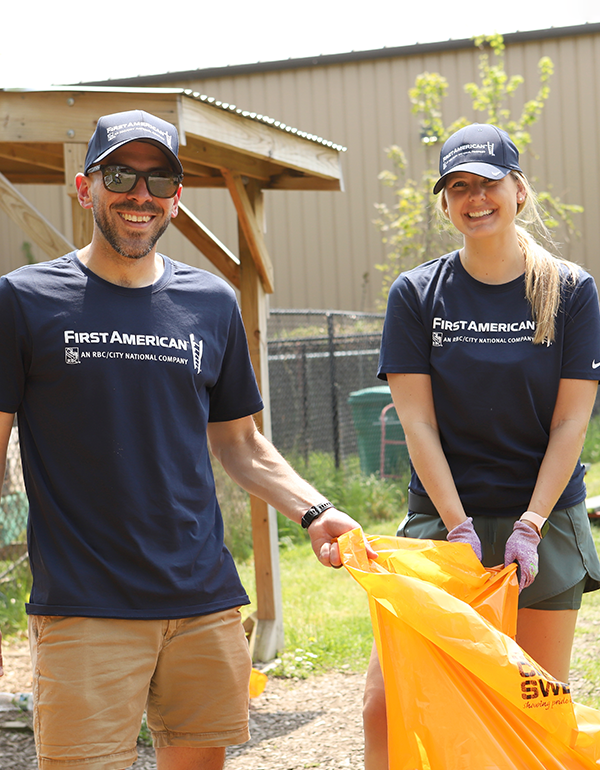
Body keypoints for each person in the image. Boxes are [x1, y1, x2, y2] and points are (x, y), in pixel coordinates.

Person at [0, 109, 374, 770]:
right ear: (85, 188)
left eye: (159, 178)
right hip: (86, 607)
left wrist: (317, 511)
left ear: (176, 197)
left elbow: (243, 446)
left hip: (203, 604)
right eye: (120, 173)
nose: (139, 194)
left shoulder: (213, 301)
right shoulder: (24, 301)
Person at [362, 122, 600, 769]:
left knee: (533, 706)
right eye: (458, 186)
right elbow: (417, 424)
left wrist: (529, 523)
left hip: (542, 523)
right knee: (386, 703)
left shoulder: (570, 290)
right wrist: (457, 525)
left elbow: (570, 424)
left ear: (518, 189)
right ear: (444, 201)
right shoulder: (417, 293)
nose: (475, 199)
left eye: (489, 183)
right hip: (445, 520)